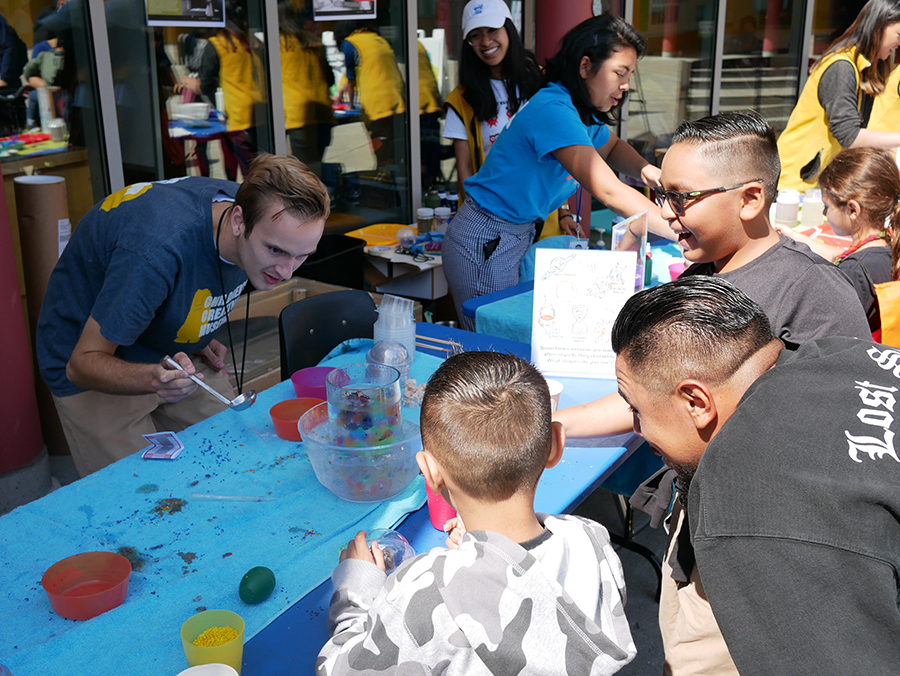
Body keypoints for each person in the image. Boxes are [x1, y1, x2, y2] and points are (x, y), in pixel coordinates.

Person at [554, 111, 871, 676]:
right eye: (661, 195)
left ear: (750, 198)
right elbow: (652, 392)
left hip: (763, 551)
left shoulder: (814, 297)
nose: (666, 214)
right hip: (702, 518)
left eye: (682, 198)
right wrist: (559, 424)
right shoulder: (706, 276)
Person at [612, 275, 900, 675]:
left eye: (636, 409)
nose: (638, 430)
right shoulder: (842, 353)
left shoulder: (748, 501)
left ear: (696, 401)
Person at [316, 351, 636, 675]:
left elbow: (339, 670)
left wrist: (354, 590)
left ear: (429, 472)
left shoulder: (422, 591)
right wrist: (486, 554)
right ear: (555, 444)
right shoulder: (591, 540)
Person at [36, 154, 330, 477]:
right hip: (90, 358)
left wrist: (197, 330)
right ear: (238, 221)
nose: (287, 272)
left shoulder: (257, 209)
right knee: (146, 495)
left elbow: (188, 279)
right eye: (275, 251)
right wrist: (154, 378)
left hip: (164, 347)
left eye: (301, 256)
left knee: (243, 456)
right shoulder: (157, 250)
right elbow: (80, 365)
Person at [442, 15, 671, 329]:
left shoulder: (579, 112)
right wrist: (682, 228)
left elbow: (614, 149)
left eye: (630, 74)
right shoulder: (553, 109)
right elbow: (608, 190)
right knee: (495, 352)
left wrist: (650, 173)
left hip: (512, 234)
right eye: (620, 73)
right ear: (585, 66)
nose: (626, 85)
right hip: (486, 239)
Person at [443, 0, 570, 239]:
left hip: (545, 219)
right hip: (496, 226)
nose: (486, 41)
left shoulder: (543, 83)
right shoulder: (462, 99)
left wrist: (564, 212)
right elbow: (465, 170)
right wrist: (480, 228)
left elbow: (564, 154)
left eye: (492, 30)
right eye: (475, 35)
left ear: (508, 29)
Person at [775, 147, 900, 337]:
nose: (824, 214)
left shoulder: (853, 273)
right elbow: (842, 253)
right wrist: (797, 237)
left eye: (827, 206)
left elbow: (824, 335)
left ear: (853, 210)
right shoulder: (888, 242)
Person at [777, 0, 900, 191]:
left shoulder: (860, 68)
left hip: (812, 182)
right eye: (899, 34)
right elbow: (849, 136)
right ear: (878, 26)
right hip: (792, 182)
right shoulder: (841, 66)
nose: (899, 43)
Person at [333, 20, 406, 167]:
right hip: (398, 100)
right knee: (392, 146)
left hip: (377, 104)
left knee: (380, 146)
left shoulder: (350, 43)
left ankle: (383, 180)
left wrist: (350, 104)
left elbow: (351, 76)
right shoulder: (379, 40)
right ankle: (393, 175)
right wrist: (341, 91)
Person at [278, 0, 334, 178]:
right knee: (316, 162)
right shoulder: (312, 42)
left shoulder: (277, 44)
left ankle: (312, 202)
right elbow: (330, 78)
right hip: (323, 111)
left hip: (299, 114)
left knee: (305, 171)